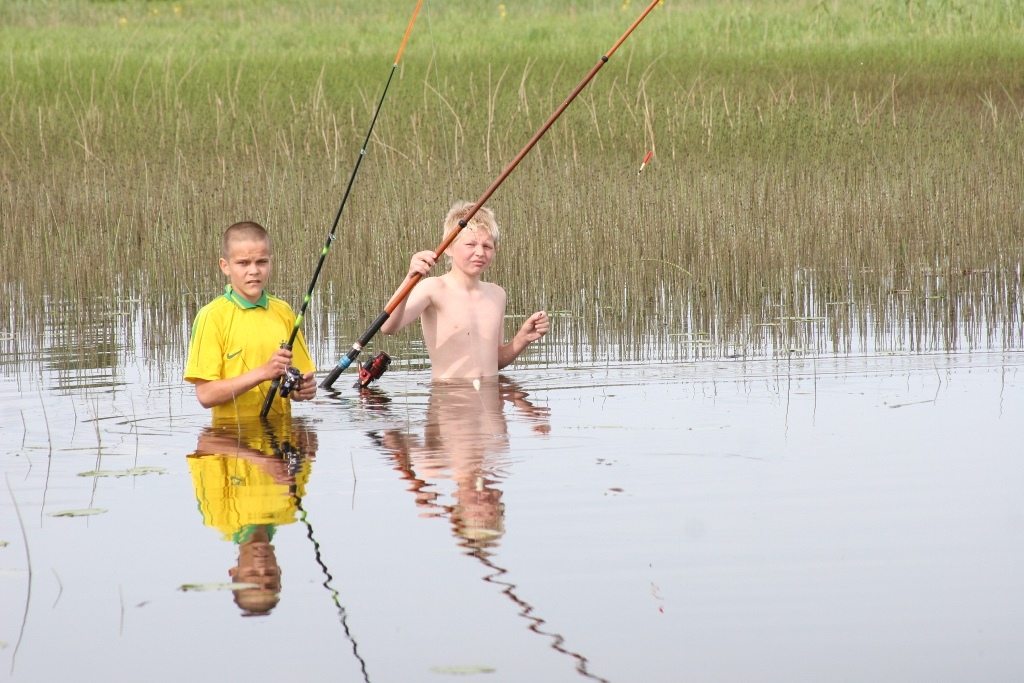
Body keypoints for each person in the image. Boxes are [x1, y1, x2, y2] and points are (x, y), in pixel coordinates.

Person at [379, 202, 549, 379]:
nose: (480, 252)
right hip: (450, 393)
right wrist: (410, 277)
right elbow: (388, 327)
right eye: (470, 244)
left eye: (487, 246)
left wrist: (522, 338)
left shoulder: (497, 294)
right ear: (448, 248)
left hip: (490, 394)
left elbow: (494, 361)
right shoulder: (433, 288)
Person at [187, 416, 318, 616]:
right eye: (270, 574)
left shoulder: (217, 516)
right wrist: (308, 444)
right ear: (279, 570)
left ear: (234, 571)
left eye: (253, 574)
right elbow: (305, 434)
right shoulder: (290, 510)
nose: (262, 566)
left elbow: (206, 441)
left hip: (231, 423)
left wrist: (259, 459)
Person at [184, 221, 316, 419]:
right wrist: (263, 372)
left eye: (261, 262)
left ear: (271, 262)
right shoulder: (211, 316)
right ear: (225, 266)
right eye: (243, 263)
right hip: (229, 434)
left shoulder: (284, 311)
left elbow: (298, 383)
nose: (254, 270)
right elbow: (205, 395)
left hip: (281, 433)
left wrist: (303, 390)